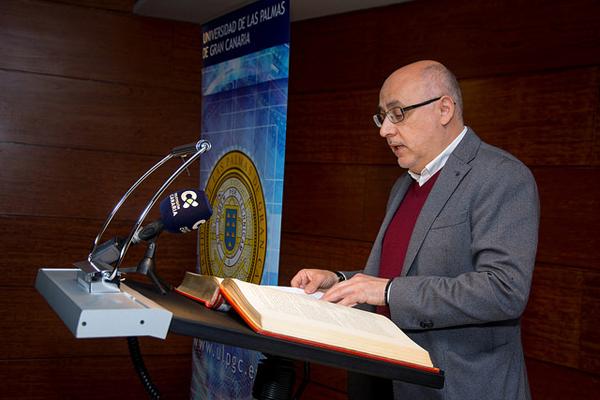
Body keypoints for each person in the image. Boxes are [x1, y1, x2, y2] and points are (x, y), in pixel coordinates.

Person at [291, 60, 539, 400]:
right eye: (382, 117)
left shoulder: (500, 176)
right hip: (385, 378)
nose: (385, 131)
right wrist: (342, 282)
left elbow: (504, 291)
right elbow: (399, 276)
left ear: (444, 109)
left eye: (398, 113)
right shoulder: (403, 185)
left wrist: (388, 292)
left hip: (458, 387)